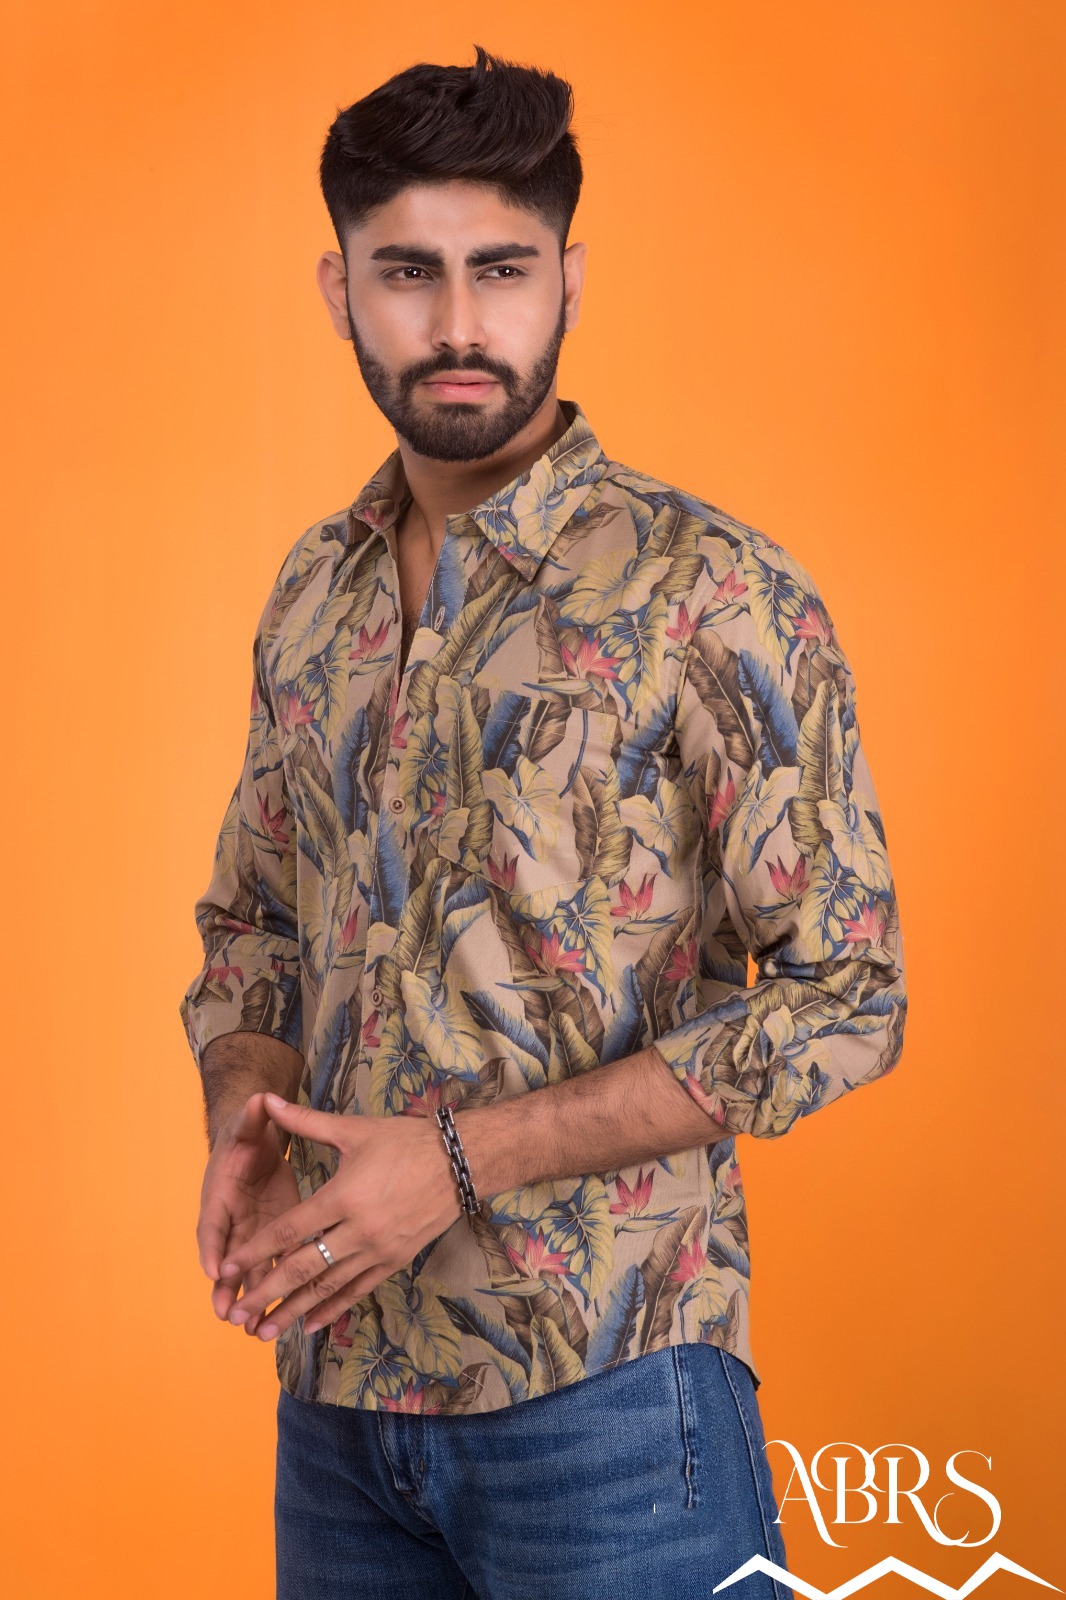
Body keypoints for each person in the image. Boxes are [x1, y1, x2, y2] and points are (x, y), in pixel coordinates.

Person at [178, 42, 907, 1600]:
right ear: (339, 290)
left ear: (567, 278)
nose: (456, 324)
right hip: (338, 1403)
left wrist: (457, 1159)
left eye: (499, 269)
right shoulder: (314, 593)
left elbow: (846, 1000)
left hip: (611, 1392)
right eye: (407, 273)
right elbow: (254, 922)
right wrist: (243, 1119)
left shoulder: (709, 592)